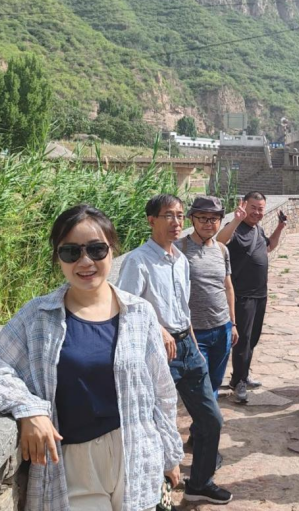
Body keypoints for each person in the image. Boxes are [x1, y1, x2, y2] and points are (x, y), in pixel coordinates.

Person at [0, 205, 184, 511]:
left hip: (137, 453)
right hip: (73, 465)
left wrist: (170, 457)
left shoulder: (139, 313)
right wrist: (29, 409)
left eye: (96, 249)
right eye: (71, 252)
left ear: (113, 249)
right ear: (58, 258)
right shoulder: (38, 316)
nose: (85, 261)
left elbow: (162, 391)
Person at [116, 194, 232, 505]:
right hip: (157, 353)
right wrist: (159, 329)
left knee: (211, 419)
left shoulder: (180, 260)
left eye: (180, 215)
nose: (176, 222)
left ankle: (200, 482)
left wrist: (192, 344)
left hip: (187, 347)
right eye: (168, 215)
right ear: (151, 220)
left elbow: (183, 309)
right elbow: (125, 309)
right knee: (156, 426)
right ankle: (158, 496)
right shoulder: (138, 261)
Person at [216, 191, 287, 404]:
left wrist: (280, 227)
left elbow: (269, 247)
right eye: (253, 208)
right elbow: (219, 241)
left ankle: (242, 375)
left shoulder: (257, 229)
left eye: (260, 209)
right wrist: (236, 219)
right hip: (242, 295)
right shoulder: (236, 228)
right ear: (244, 206)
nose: (256, 212)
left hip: (260, 294)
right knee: (243, 340)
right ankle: (239, 382)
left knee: (252, 338)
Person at [177, 196, 239, 397]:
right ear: (192, 219)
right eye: (202, 218)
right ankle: (208, 415)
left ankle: (208, 415)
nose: (208, 223)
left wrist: (233, 323)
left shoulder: (222, 250)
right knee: (200, 383)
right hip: (195, 331)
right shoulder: (179, 249)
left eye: (214, 219)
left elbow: (227, 287)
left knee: (215, 381)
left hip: (222, 328)